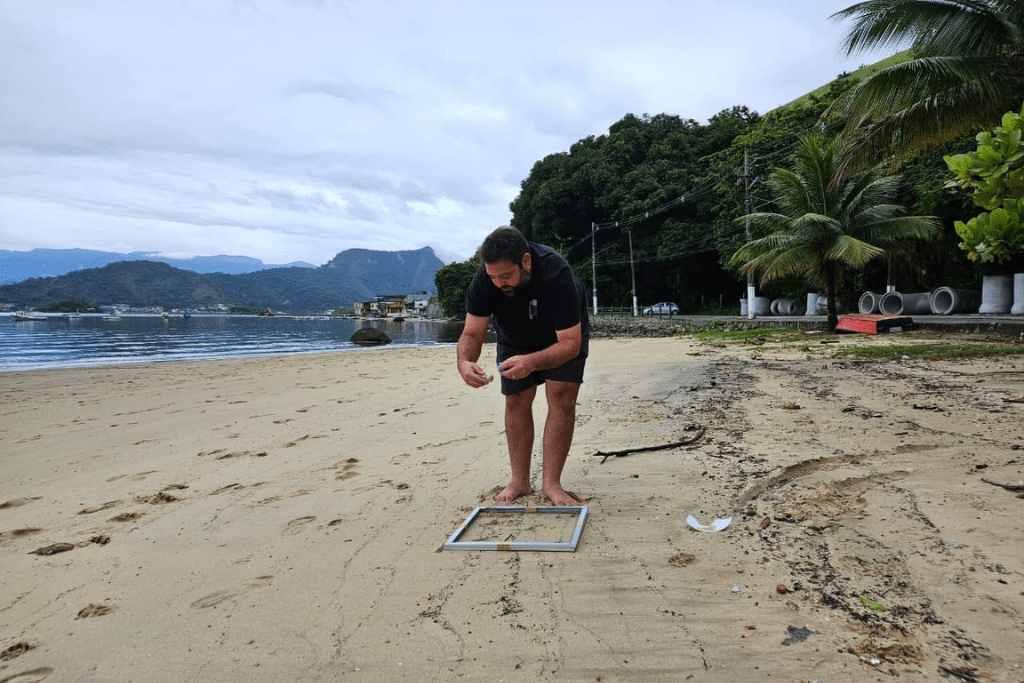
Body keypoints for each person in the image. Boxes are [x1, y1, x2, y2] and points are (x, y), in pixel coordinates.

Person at [456, 226, 590, 506]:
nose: (499, 283)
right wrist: (465, 361)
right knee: (516, 400)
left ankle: (552, 484)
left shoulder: (557, 272)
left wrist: (532, 362)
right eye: (493, 277)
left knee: (562, 396)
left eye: (506, 276)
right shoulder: (486, 279)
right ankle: (519, 481)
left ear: (526, 262)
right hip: (514, 334)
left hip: (562, 335)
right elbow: (471, 333)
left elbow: (570, 344)